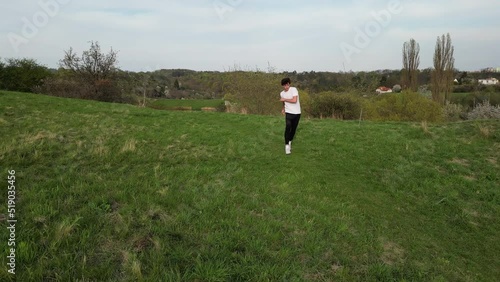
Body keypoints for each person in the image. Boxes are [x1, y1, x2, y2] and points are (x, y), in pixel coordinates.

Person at [279, 77, 301, 155]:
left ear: (289, 84)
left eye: (287, 85)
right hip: (288, 112)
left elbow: (294, 100)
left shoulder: (293, 89)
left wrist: (284, 99)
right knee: (288, 126)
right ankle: (286, 145)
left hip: (297, 112)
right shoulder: (282, 93)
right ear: (282, 86)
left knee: (293, 129)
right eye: (284, 85)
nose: (286, 87)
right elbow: (283, 102)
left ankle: (290, 141)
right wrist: (283, 108)